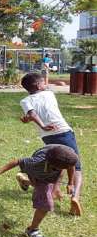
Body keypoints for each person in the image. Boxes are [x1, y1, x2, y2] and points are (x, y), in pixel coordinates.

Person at [19, 72, 83, 216]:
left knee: (58, 162)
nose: (45, 84)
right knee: (75, 166)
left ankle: (54, 189)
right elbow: (36, 113)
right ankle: (75, 196)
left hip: (47, 137)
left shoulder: (24, 101)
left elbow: (32, 114)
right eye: (43, 82)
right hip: (64, 132)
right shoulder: (49, 94)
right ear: (38, 85)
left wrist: (41, 126)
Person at [0, 144, 78, 237]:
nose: (69, 167)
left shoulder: (66, 157)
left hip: (49, 173)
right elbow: (17, 161)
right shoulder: (35, 163)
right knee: (46, 204)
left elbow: (71, 166)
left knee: (42, 186)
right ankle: (32, 230)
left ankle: (24, 181)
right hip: (37, 173)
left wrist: (70, 183)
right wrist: (0, 171)